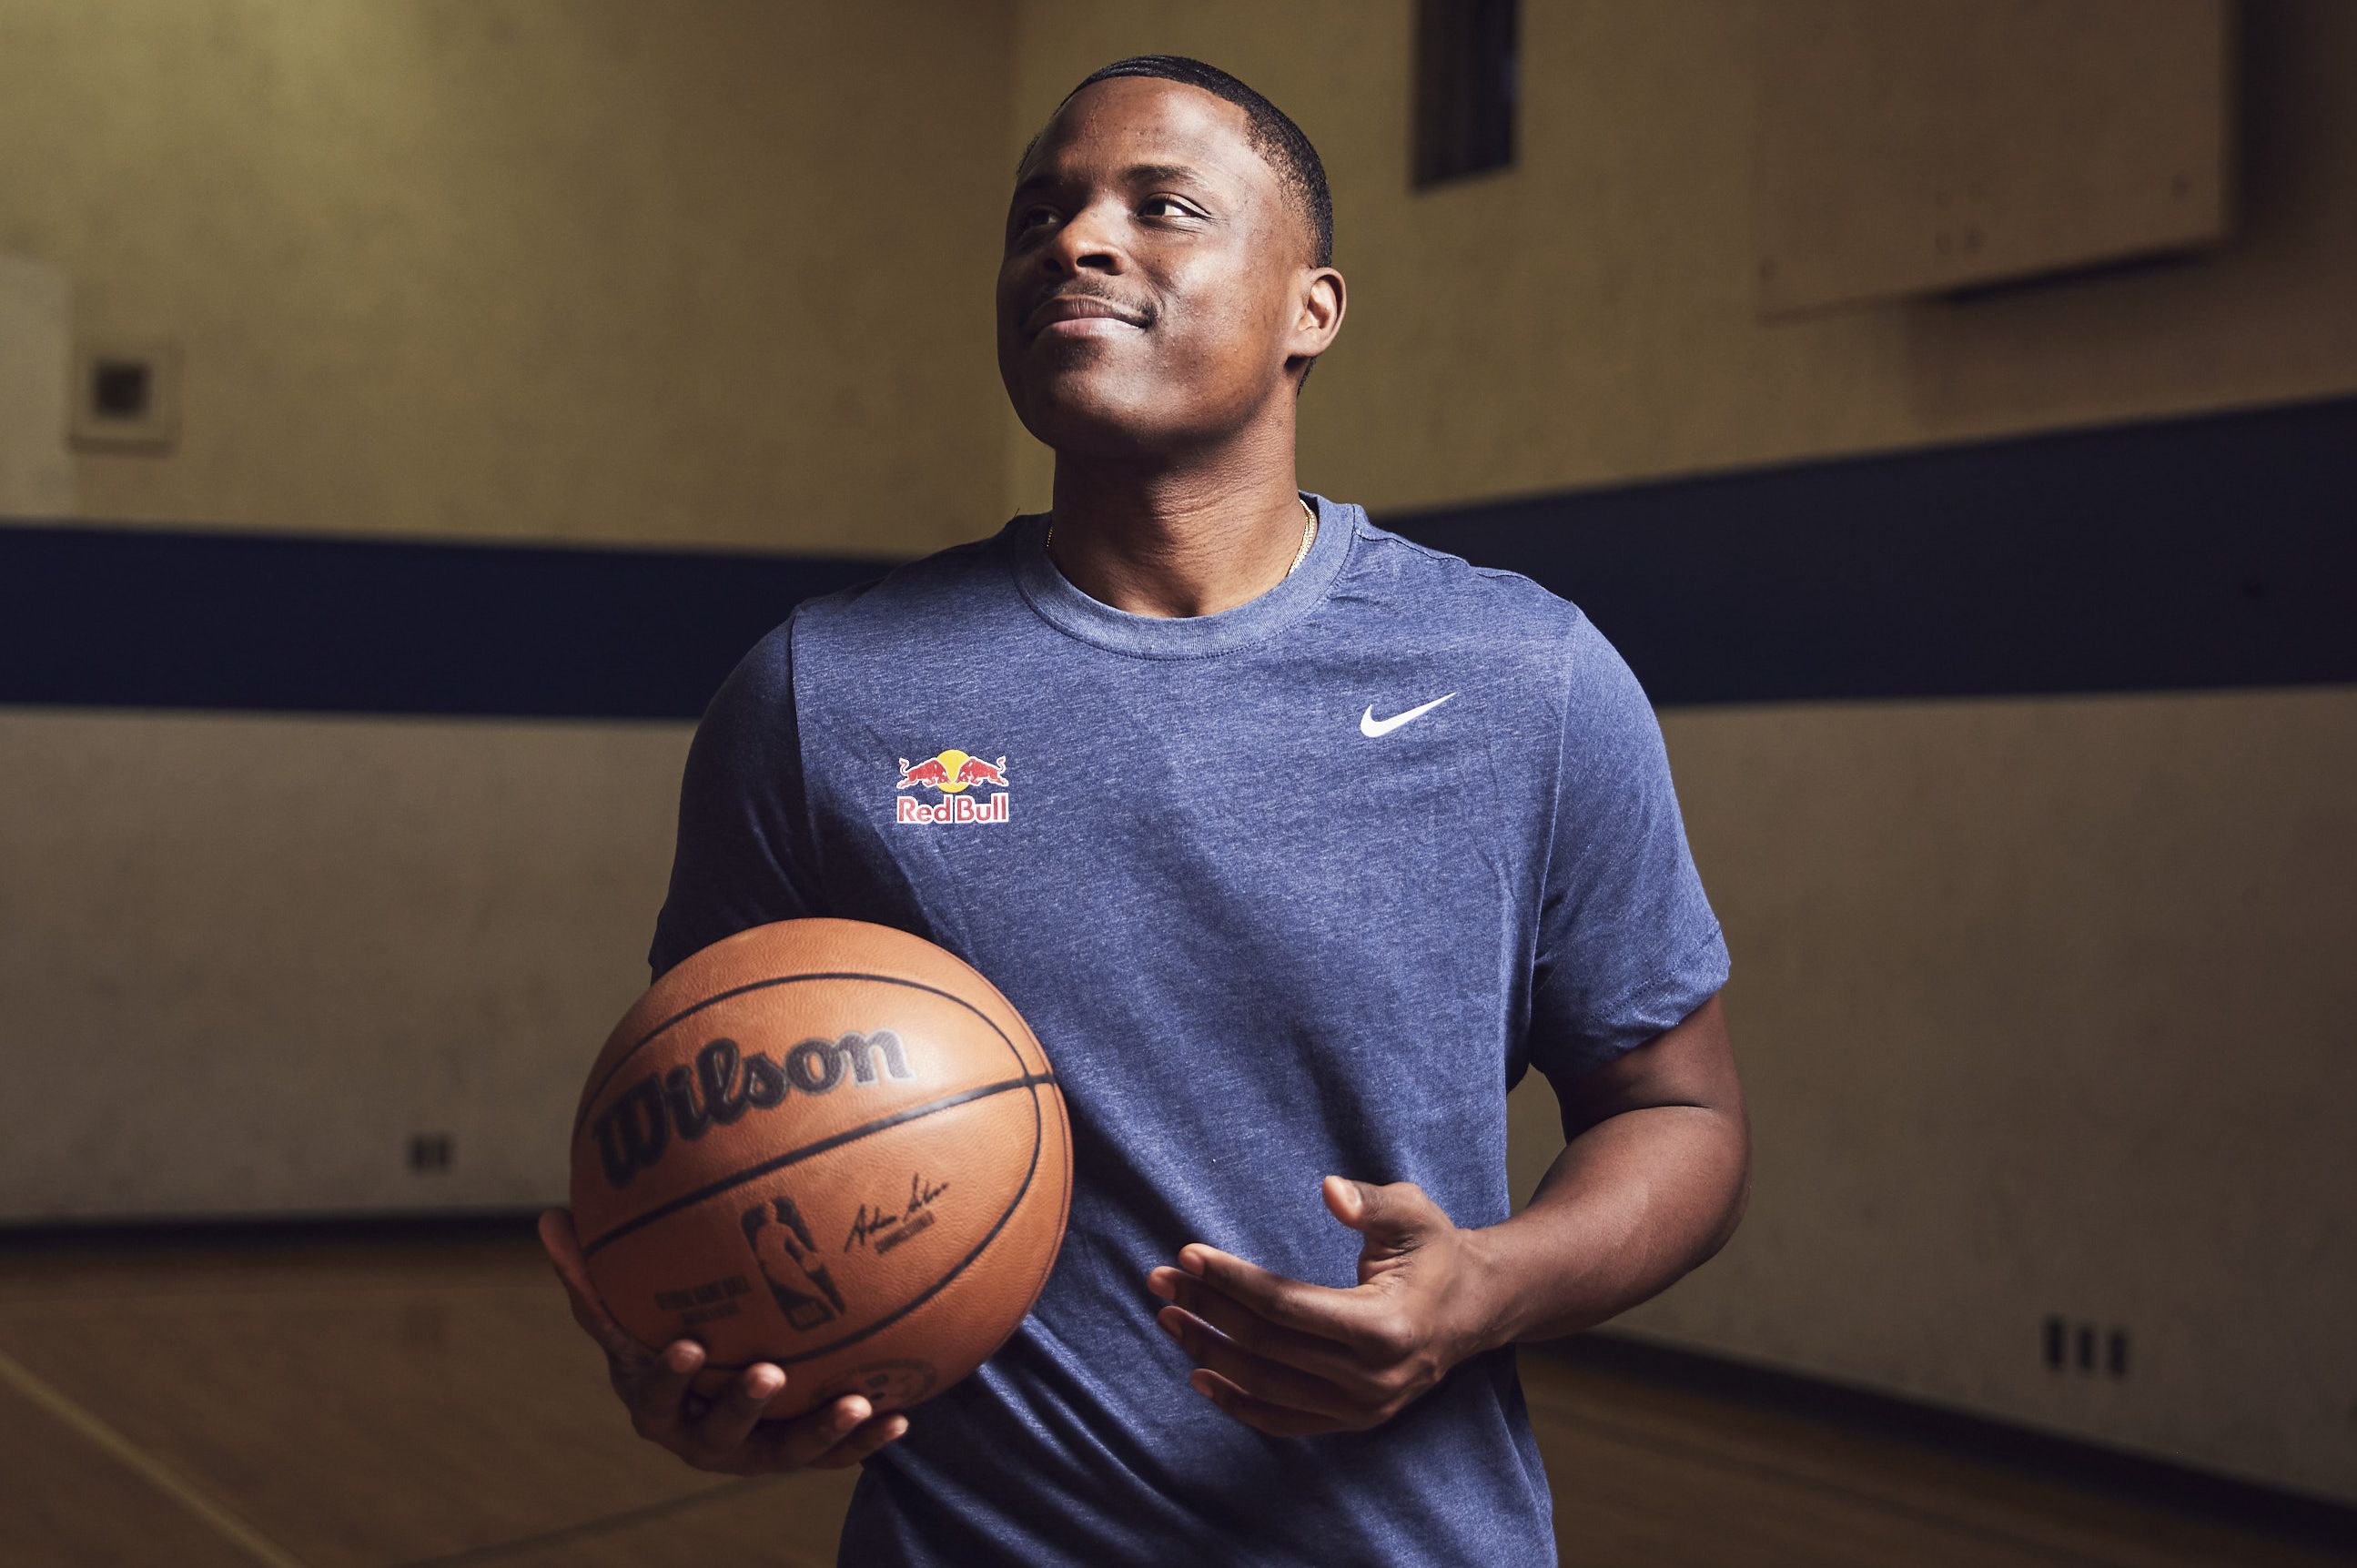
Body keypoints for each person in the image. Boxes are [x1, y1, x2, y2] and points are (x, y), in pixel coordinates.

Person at [541, 53, 1748, 1566]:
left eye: (1158, 206)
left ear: (1313, 308)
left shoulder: (1524, 679)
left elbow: (1679, 1114)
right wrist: (693, 1357)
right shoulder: (818, 700)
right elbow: (709, 1146)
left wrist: (1482, 1292)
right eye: (1037, 212)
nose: (1075, 239)